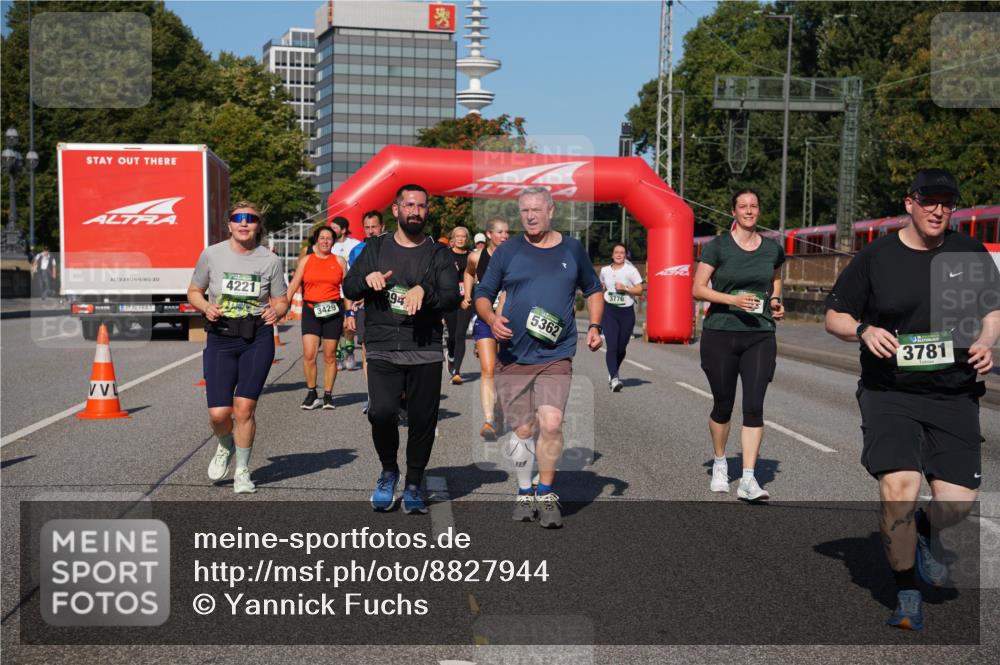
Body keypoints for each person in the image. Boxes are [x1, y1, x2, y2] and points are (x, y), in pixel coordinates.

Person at [824, 168, 999, 631]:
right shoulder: (876, 257)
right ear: (910, 203)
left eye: (947, 201)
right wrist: (863, 330)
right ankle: (906, 593)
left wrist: (987, 342)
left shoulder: (969, 250)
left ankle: (926, 528)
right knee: (898, 489)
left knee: (958, 504)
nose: (938, 209)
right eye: (929, 200)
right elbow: (834, 316)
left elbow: (992, 309)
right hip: (890, 391)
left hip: (953, 392)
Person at [475, 187, 604, 528]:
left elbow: (593, 289)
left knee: (550, 423)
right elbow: (483, 294)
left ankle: (545, 492)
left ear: (551, 210)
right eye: (524, 211)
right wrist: (491, 319)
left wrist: (594, 325)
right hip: (514, 354)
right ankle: (523, 491)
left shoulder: (572, 249)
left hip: (555, 354)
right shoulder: (508, 252)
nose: (530, 216)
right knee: (523, 428)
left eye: (536, 209)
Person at [343, 184, 460, 514]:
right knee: (381, 412)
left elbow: (451, 297)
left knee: (423, 419)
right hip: (382, 345)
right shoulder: (375, 249)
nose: (415, 211)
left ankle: (413, 482)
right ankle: (388, 470)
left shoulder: (438, 253)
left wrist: (426, 291)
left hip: (424, 347)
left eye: (421, 206)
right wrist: (368, 280)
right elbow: (348, 286)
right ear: (395, 210)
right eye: (409, 205)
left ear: (427, 211)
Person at [188, 201, 288, 494]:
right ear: (229, 224)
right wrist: (206, 306)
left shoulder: (269, 260)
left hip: (256, 337)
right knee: (219, 414)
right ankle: (224, 444)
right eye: (238, 218)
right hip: (221, 336)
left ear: (259, 225)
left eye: (251, 219)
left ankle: (243, 472)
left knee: (244, 408)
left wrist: (277, 312)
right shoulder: (212, 255)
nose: (244, 223)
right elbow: (194, 291)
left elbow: (281, 299)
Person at [692, 189, 785, 502]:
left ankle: (748, 478)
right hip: (721, 333)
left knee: (755, 406)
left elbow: (774, 280)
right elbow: (698, 289)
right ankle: (720, 463)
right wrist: (732, 299)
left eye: (754, 206)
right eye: (743, 206)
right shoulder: (718, 247)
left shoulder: (772, 248)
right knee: (723, 404)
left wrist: (775, 301)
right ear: (733, 211)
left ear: (759, 210)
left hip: (760, 334)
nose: (749, 211)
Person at [286, 226, 350, 410]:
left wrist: (349, 313)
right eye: (322, 238)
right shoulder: (307, 260)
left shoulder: (339, 261)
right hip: (311, 310)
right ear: (316, 240)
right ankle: (312, 392)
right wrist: (284, 305)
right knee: (309, 354)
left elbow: (347, 291)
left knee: (330, 356)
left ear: (333, 241)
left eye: (329, 238)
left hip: (333, 311)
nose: (325, 241)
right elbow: (294, 284)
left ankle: (328, 395)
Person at [464, 216, 510, 440]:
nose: (505, 236)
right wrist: (467, 295)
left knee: (505, 370)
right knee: (488, 369)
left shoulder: (515, 258)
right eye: (500, 232)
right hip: (484, 318)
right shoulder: (476, 256)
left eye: (507, 232)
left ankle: (501, 410)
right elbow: (468, 272)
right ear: (489, 234)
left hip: (509, 320)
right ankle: (489, 420)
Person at [347, 210, 387, 414]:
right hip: (365, 308)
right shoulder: (357, 251)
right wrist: (349, 313)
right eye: (368, 227)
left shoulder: (393, 247)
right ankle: (373, 397)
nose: (371, 231)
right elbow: (350, 283)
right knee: (367, 352)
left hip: (389, 307)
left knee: (389, 353)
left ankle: (396, 395)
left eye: (375, 227)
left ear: (383, 227)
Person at [600, 243, 643, 392]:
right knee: (611, 346)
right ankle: (614, 377)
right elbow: (602, 284)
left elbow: (639, 289)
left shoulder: (631, 271)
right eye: (616, 252)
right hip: (609, 311)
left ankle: (613, 371)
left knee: (621, 347)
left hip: (626, 312)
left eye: (622, 253)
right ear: (612, 255)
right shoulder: (605, 270)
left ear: (625, 255)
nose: (619, 255)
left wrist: (625, 288)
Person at [330, 216, 361, 370]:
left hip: (350, 292)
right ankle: (338, 356)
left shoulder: (355, 244)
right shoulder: (329, 245)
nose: (331, 230)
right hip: (332, 293)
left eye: (335, 228)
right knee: (335, 327)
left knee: (349, 327)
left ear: (343, 230)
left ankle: (349, 351)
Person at [443, 226, 473, 385]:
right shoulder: (446, 255)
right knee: (453, 335)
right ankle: (451, 356)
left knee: (461, 334)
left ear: (467, 239)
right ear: (452, 238)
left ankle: (457, 371)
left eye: (464, 236)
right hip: (450, 300)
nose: (461, 239)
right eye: (458, 236)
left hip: (466, 300)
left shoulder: (472, 256)